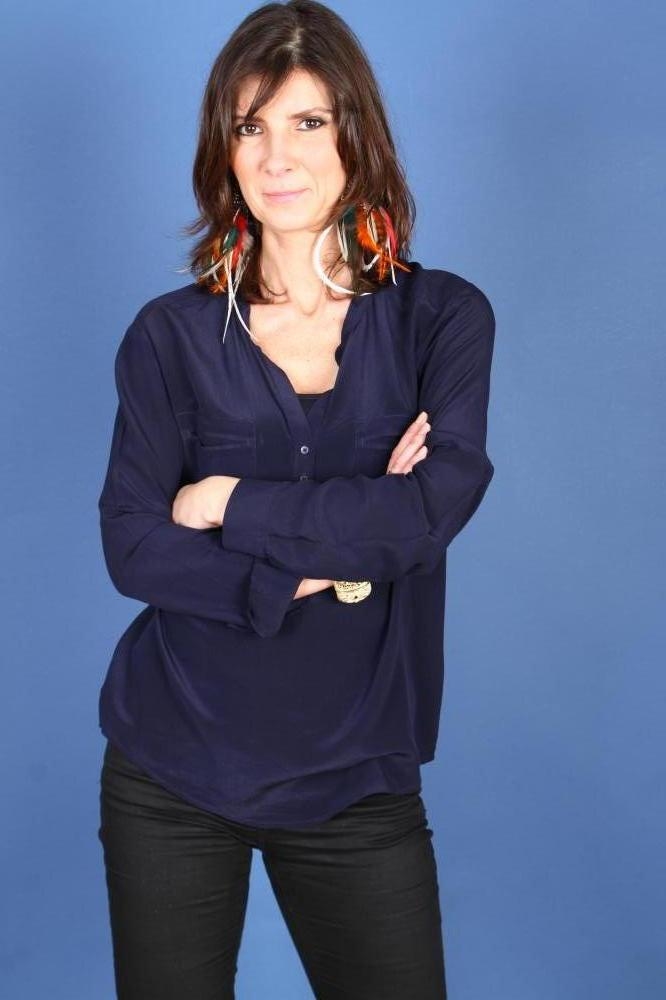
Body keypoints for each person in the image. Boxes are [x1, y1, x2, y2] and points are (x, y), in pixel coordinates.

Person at [96, 2, 496, 997]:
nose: (277, 156)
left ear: (357, 134)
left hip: (357, 774)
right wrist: (325, 562)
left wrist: (225, 498)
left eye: (308, 122)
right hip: (170, 767)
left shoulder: (442, 319)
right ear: (223, 150)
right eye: (250, 126)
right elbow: (134, 547)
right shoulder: (169, 337)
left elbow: (425, 516)